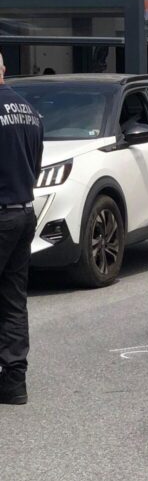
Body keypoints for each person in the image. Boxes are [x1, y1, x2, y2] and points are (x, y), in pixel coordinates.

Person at [0, 51, 44, 405]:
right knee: (13, 301)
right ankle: (15, 382)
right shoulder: (28, 111)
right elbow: (37, 163)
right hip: (24, 211)